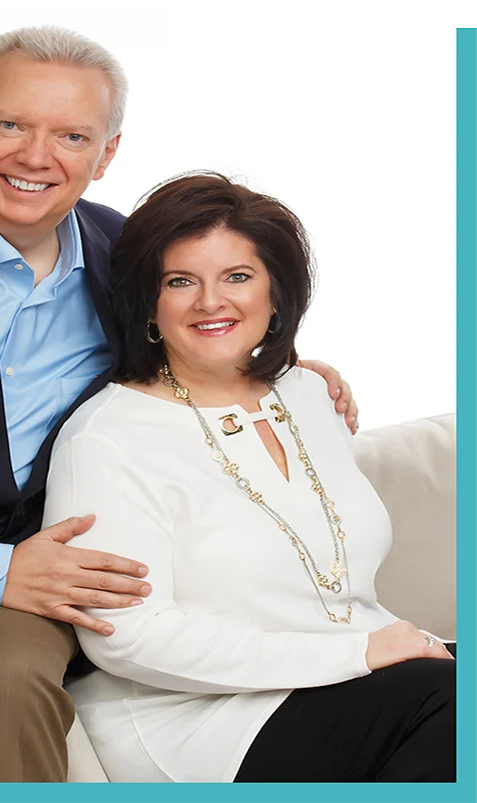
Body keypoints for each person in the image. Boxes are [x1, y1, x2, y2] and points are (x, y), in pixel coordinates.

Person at [0, 26, 357, 783]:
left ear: (105, 154)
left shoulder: (125, 253)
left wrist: (282, 366)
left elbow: (194, 338)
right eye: (12, 124)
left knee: (6, 689)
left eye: (70, 134)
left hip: (30, 577)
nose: (35, 157)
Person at [42, 172, 456, 783]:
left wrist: (367, 652)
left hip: (359, 678)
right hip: (203, 723)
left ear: (276, 292)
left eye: (237, 276)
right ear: (149, 305)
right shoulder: (108, 437)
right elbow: (124, 637)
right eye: (181, 281)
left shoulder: (309, 393)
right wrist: (356, 654)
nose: (212, 301)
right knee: (451, 704)